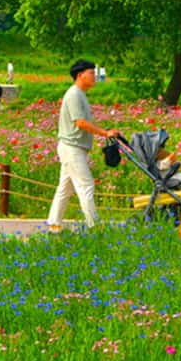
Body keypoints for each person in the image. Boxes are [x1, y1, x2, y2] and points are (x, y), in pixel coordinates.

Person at [47, 59, 119, 232]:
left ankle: (54, 224)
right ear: (80, 75)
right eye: (91, 73)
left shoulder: (80, 95)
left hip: (74, 147)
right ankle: (94, 226)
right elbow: (80, 123)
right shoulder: (74, 95)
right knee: (86, 185)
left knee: (66, 187)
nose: (94, 77)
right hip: (72, 148)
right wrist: (105, 133)